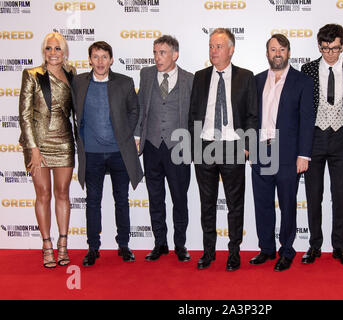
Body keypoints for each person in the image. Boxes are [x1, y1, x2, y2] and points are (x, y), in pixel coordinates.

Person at [189, 28, 258, 271]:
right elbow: (193, 113)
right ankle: (208, 252)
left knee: (234, 204)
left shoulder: (245, 76)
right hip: (205, 146)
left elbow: (252, 114)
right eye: (211, 46)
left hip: (233, 146)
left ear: (231, 50)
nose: (213, 51)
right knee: (206, 203)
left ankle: (234, 252)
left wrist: (248, 145)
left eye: (218, 46)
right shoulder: (200, 76)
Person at [71, 41, 143, 266]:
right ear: (89, 60)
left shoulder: (124, 82)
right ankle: (93, 247)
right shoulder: (78, 83)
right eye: (95, 57)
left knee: (122, 200)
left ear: (111, 60)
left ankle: (124, 245)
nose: (100, 62)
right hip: (91, 153)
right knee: (93, 202)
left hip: (118, 152)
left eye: (104, 57)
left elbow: (134, 111)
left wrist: (125, 135)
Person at [249, 34, 315, 271]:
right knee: (263, 204)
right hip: (261, 151)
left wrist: (304, 155)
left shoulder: (303, 82)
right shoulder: (256, 81)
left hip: (288, 153)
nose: (277, 54)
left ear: (288, 52)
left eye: (282, 49)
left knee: (288, 205)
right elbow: (250, 117)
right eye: (273, 49)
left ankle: (286, 251)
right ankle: (266, 249)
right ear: (267, 53)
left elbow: (307, 121)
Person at [300, 24, 343, 266]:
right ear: (319, 46)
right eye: (325, 49)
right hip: (314, 138)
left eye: (334, 48)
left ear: (342, 45)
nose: (330, 54)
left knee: (340, 194)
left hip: (340, 139)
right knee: (314, 195)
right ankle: (314, 245)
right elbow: (304, 110)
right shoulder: (308, 69)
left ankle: (339, 247)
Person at [18, 32, 76, 268]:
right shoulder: (32, 75)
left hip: (64, 142)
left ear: (65, 52)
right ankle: (47, 245)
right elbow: (24, 114)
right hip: (38, 145)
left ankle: (63, 244)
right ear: (44, 51)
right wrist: (33, 148)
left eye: (57, 48)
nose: (53, 53)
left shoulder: (72, 75)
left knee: (62, 193)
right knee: (43, 194)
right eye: (49, 48)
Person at [135, 35, 193, 262]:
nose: (157, 58)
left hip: (179, 147)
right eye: (155, 52)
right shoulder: (146, 75)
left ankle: (180, 245)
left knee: (180, 198)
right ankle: (160, 243)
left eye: (162, 53)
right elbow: (140, 107)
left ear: (174, 54)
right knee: (155, 197)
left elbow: (194, 114)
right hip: (151, 146)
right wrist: (138, 136)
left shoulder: (189, 79)